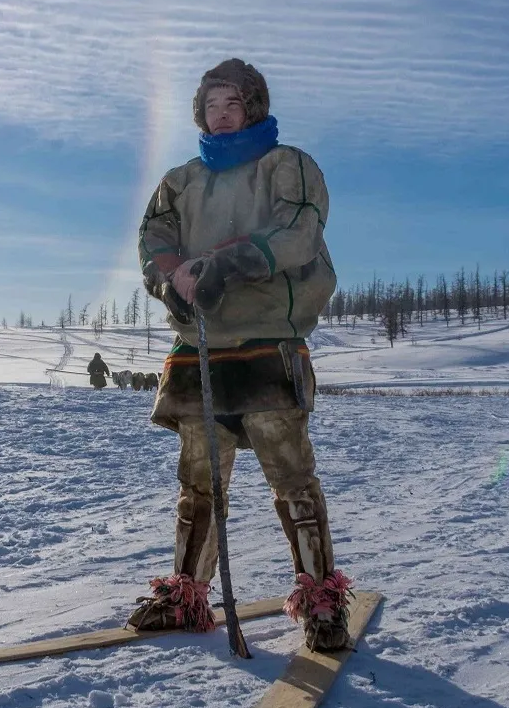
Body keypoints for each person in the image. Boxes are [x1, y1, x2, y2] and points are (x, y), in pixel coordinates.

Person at [130, 58, 348, 652]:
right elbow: (154, 239)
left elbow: (300, 233)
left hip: (265, 344)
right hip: (198, 349)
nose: (220, 115)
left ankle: (322, 599)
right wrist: (173, 275)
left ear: (252, 107)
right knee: (198, 483)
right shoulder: (180, 180)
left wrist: (229, 261)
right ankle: (186, 592)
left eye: (232, 104)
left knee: (291, 478)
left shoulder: (288, 166)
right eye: (210, 105)